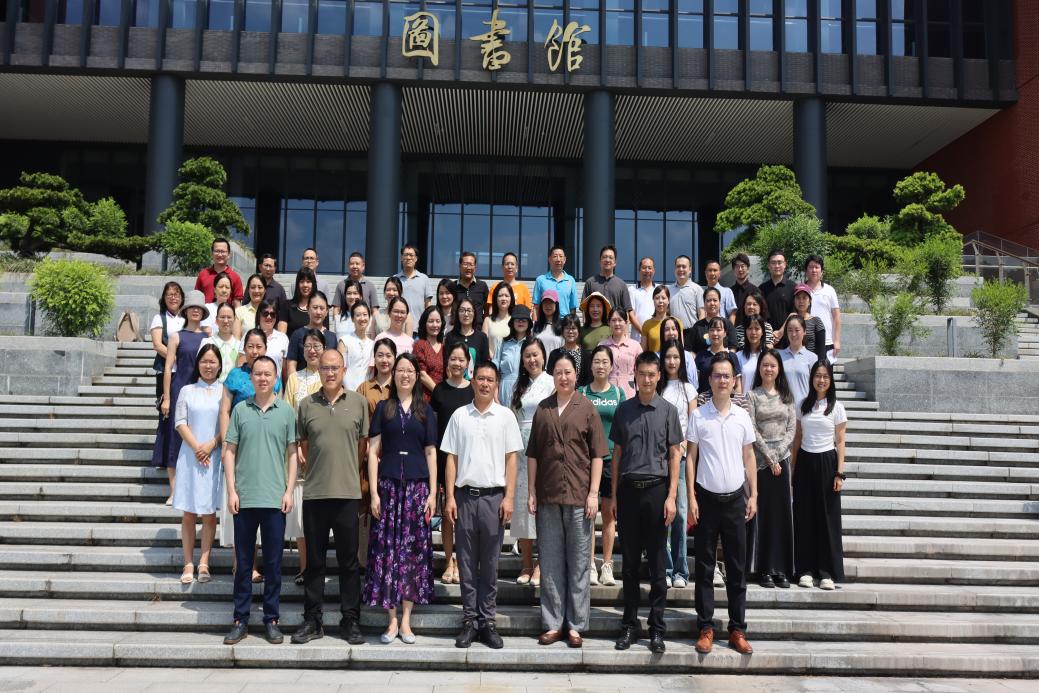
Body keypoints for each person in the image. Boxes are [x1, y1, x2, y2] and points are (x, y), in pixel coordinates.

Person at [526, 352, 608, 648]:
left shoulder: (586, 408)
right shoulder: (543, 409)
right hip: (548, 494)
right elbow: (533, 454)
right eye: (558, 372)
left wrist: (593, 493)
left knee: (578, 562)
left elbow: (598, 455)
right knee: (550, 561)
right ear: (553, 376)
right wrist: (532, 491)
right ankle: (553, 623)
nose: (563, 377)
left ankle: (575, 624)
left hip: (578, 496)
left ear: (576, 375)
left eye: (568, 372)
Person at [441, 361, 524, 650]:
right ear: (473, 381)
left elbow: (512, 460)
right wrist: (450, 497)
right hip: (465, 497)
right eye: (480, 378)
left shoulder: (505, 417)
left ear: (496, 384)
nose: (485, 383)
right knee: (465, 562)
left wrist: (509, 497)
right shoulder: (459, 415)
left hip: (493, 498)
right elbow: (450, 458)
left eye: (490, 379)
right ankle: (469, 620)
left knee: (490, 563)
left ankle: (487, 621)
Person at [290, 349, 369, 646]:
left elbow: (361, 447)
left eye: (335, 368)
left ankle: (350, 619)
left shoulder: (359, 403)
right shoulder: (306, 405)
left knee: (349, 562)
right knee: (315, 562)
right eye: (325, 368)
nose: (331, 373)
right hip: (315, 493)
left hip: (347, 493)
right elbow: (305, 446)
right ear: (319, 370)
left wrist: (346, 471)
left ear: (344, 370)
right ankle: (313, 620)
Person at [221, 355, 298, 646]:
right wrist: (231, 490)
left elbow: (293, 453)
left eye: (268, 374)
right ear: (251, 377)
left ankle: (271, 619)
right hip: (244, 498)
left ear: (276, 379)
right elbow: (229, 451)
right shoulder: (240, 410)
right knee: (243, 563)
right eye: (258, 374)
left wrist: (289, 491)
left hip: (275, 498)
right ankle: (240, 619)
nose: (263, 378)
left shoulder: (286, 411)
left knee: (274, 564)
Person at [609, 351, 683, 654]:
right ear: (635, 376)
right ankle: (629, 625)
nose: (647, 379)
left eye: (652, 374)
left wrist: (672, 496)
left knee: (657, 565)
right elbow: (616, 455)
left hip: (657, 492)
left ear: (658, 376)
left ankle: (657, 628)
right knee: (629, 565)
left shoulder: (668, 410)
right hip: (628, 492)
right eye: (642, 374)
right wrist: (614, 495)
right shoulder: (624, 409)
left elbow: (675, 454)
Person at [686, 352, 758, 656]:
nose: (722, 380)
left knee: (737, 568)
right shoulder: (698, 415)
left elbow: (749, 456)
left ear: (734, 380)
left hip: (735, 501)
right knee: (704, 567)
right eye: (717, 375)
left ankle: (737, 629)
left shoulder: (742, 416)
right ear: (710, 379)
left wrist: (754, 495)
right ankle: (705, 627)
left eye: (727, 376)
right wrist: (691, 496)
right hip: (706, 499)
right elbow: (691, 457)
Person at [363, 353, 438, 644]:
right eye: (400, 370)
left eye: (410, 371)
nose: (405, 375)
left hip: (417, 488)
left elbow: (431, 452)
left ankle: (406, 619)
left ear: (416, 376)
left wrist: (433, 492)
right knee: (387, 551)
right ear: (393, 375)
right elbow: (373, 452)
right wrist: (373, 493)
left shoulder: (425, 410)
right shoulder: (385, 408)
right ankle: (391, 619)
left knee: (412, 552)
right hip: (389, 488)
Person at [220, 329, 284, 576]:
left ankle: (256, 563)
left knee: (261, 505)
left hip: (264, 447)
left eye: (259, 346)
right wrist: (226, 442)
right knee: (242, 505)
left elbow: (277, 410)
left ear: (266, 349)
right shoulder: (235, 375)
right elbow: (225, 410)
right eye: (250, 346)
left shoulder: (272, 375)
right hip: (239, 443)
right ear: (244, 348)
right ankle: (243, 563)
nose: (255, 351)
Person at [792, 360, 847, 591]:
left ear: (830, 380)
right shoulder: (803, 405)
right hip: (805, 462)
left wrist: (839, 473)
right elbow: (797, 438)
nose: (821, 380)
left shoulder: (837, 407)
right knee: (804, 518)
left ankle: (827, 572)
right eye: (817, 376)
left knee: (827, 520)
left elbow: (841, 441)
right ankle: (805, 571)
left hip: (827, 463)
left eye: (825, 376)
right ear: (812, 378)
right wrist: (793, 469)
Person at [172, 344, 224, 585]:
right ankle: (188, 562)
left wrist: (212, 444)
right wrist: (197, 448)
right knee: (189, 512)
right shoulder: (187, 390)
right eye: (204, 361)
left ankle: (204, 562)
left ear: (220, 365)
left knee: (209, 513)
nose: (208, 366)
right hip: (191, 457)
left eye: (213, 361)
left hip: (214, 456)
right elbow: (180, 422)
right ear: (198, 364)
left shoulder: (224, 391)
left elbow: (228, 423)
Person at [745, 348, 796, 590]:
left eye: (773, 365)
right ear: (760, 368)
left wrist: (778, 456)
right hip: (760, 462)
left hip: (782, 461)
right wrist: (768, 456)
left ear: (778, 369)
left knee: (781, 516)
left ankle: (781, 569)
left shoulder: (787, 396)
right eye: (765, 365)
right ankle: (764, 568)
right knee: (763, 516)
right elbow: (752, 428)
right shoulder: (752, 395)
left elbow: (792, 429)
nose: (768, 369)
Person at [153, 290, 209, 504]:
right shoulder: (176, 336)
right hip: (179, 389)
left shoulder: (207, 337)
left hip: (201, 391)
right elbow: (168, 368)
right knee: (175, 438)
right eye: (192, 307)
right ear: (185, 311)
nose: (195, 311)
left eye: (199, 308)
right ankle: (174, 490)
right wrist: (167, 397)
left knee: (197, 436)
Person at [578, 345, 624, 587]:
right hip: (586, 461)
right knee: (587, 515)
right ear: (591, 364)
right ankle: (589, 565)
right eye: (596, 361)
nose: (600, 366)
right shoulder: (582, 392)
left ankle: (607, 565)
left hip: (611, 461)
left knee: (608, 515)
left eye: (605, 361)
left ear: (611, 366)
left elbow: (624, 429)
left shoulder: (618, 394)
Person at [510, 337, 554, 587]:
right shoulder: (519, 385)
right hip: (520, 450)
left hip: (543, 449)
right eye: (527, 355)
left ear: (543, 356)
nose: (532, 359)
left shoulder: (551, 382)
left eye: (535, 354)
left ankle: (540, 564)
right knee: (522, 508)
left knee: (541, 509)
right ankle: (526, 563)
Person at [430, 343, 474, 585]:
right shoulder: (439, 390)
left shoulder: (474, 389)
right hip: (444, 457)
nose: (457, 363)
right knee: (448, 512)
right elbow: (434, 425)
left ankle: (464, 562)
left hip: (469, 458)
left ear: (468, 363)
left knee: (465, 514)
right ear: (447, 362)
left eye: (461, 359)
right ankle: (449, 561)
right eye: (453, 359)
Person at [658, 340, 697, 589]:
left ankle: (681, 571)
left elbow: (692, 425)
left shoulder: (688, 389)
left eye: (676, 357)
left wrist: (682, 447)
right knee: (662, 514)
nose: (672, 361)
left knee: (680, 513)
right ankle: (666, 567)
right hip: (659, 458)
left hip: (681, 458)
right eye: (668, 357)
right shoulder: (658, 386)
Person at [285, 291, 337, 379]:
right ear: (308, 309)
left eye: (322, 308)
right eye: (315, 308)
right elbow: (291, 365)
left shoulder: (332, 337)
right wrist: (294, 383)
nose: (318, 312)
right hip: (302, 383)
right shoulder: (297, 334)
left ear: (327, 311)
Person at [150, 281, 185, 404]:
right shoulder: (159, 318)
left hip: (184, 372)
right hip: (165, 371)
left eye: (176, 294)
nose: (173, 298)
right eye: (169, 295)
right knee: (166, 408)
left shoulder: (186, 318)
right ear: (164, 298)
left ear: (182, 298)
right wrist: (177, 359)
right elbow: (157, 345)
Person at [774, 283, 827, 360]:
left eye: (804, 298)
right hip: (791, 360)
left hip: (811, 361)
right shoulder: (790, 320)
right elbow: (779, 338)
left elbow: (821, 349)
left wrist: (820, 364)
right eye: (798, 298)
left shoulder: (816, 321)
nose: (801, 301)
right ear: (794, 301)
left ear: (809, 301)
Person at [598, 308, 642, 399]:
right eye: (613, 320)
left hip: (629, 393)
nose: (617, 323)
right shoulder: (602, 345)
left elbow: (640, 371)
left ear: (626, 322)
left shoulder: (635, 346)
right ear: (609, 322)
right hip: (607, 393)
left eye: (620, 320)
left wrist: (640, 391)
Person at [804, 255, 842, 359]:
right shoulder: (801, 290)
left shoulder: (830, 290)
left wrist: (837, 341)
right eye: (811, 267)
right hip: (805, 341)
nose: (814, 270)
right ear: (806, 271)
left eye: (817, 267)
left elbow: (836, 316)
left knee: (825, 369)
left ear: (822, 271)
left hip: (827, 341)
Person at [494, 305, 533, 404]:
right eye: (517, 319)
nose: (521, 322)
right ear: (512, 322)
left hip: (527, 388)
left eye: (524, 320)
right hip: (504, 389)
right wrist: (495, 395)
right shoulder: (503, 342)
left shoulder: (533, 344)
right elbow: (494, 370)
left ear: (529, 323)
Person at [694, 317, 743, 397]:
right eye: (712, 330)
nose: (715, 333)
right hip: (704, 401)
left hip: (727, 402)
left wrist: (737, 400)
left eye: (718, 330)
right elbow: (695, 384)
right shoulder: (701, 356)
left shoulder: (732, 356)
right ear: (708, 333)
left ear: (725, 333)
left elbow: (738, 385)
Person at [444, 298, 490, 381]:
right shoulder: (450, 337)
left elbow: (484, 365)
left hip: (475, 385)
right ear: (457, 313)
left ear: (474, 313)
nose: (466, 314)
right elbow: (447, 364)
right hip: (455, 384)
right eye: (462, 310)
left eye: (469, 310)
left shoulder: (482, 337)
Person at [582, 245, 632, 321]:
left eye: (610, 257)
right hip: (595, 327)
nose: (607, 260)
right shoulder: (590, 282)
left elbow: (626, 311)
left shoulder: (621, 284)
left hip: (615, 327)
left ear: (615, 262)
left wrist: (625, 328)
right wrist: (586, 326)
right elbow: (584, 309)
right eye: (604, 257)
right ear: (600, 261)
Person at [684, 287, 739, 355]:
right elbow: (689, 349)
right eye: (709, 300)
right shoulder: (698, 326)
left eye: (715, 300)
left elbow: (733, 347)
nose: (712, 303)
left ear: (719, 303)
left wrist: (726, 360)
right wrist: (697, 360)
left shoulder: (727, 324)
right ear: (704, 304)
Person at [333, 252, 380, 324]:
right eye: (352, 264)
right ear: (348, 266)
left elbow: (375, 310)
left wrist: (373, 326)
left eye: (357, 264)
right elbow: (337, 308)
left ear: (363, 266)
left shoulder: (370, 286)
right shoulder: (341, 285)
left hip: (365, 324)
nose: (354, 266)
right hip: (345, 323)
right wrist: (337, 324)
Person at [247, 300, 289, 378]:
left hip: (275, 384)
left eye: (273, 314)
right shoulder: (250, 335)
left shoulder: (283, 338)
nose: (269, 317)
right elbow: (242, 364)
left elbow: (284, 371)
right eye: (265, 314)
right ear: (259, 315)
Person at [779, 315, 815, 406]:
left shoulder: (812, 358)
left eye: (797, 330)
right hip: (782, 409)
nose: (793, 334)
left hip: (804, 409)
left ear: (804, 331)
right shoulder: (779, 356)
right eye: (790, 330)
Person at [395, 244, 434, 327]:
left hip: (419, 327)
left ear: (416, 258)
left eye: (411, 255)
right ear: (401, 258)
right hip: (398, 327)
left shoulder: (424, 278)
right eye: (406, 255)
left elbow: (428, 304)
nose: (408, 258)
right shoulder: (395, 279)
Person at [195, 238, 244, 304]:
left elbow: (237, 304)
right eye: (217, 251)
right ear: (211, 253)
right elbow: (196, 299)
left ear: (229, 254)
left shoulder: (235, 277)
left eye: (223, 251)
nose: (220, 254)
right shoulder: (203, 274)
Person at [339, 301, 374, 391]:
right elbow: (340, 370)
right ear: (352, 319)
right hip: (348, 391)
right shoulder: (344, 341)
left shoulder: (373, 344)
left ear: (369, 317)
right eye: (358, 315)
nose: (362, 318)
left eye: (365, 314)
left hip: (367, 391)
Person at [533, 245, 578, 316]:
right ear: (549, 259)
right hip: (546, 321)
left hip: (565, 321)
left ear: (565, 260)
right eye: (555, 256)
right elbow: (536, 307)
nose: (558, 259)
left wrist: (571, 321)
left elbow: (573, 308)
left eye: (561, 256)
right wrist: (535, 322)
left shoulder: (571, 280)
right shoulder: (541, 280)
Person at [548, 314, 591, 387]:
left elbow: (589, 380)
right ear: (562, 331)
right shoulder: (554, 354)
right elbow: (550, 379)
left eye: (573, 328)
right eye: (567, 328)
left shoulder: (586, 355)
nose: (570, 331)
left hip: (581, 393)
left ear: (579, 331)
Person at [358, 338, 397, 419]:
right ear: (374, 358)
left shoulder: (400, 387)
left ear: (395, 359)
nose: (384, 360)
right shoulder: (364, 388)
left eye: (388, 356)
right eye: (380, 355)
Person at [202, 303, 239, 382]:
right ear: (216, 320)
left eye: (229, 317)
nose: (226, 321)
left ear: (234, 319)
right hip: (211, 387)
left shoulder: (239, 346)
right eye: (222, 317)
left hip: (233, 388)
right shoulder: (207, 342)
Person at [278, 268, 321, 336]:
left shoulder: (320, 308)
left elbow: (324, 334)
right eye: (302, 281)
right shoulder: (287, 305)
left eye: (308, 281)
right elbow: (281, 335)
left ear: (313, 284)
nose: (305, 285)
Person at [413, 305, 445, 394]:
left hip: (444, 395)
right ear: (424, 323)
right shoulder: (420, 345)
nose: (435, 325)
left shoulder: (444, 347)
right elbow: (422, 374)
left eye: (438, 321)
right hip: (425, 396)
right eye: (431, 321)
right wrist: (439, 393)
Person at [452, 252, 490, 326]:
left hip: (478, 329)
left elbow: (487, 311)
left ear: (475, 267)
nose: (468, 267)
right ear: (460, 266)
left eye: (471, 264)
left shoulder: (482, 286)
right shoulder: (453, 286)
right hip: (457, 330)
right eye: (465, 264)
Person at [759, 249, 795, 327]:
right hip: (767, 333)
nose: (777, 266)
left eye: (779, 262)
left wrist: (781, 331)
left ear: (785, 264)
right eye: (773, 263)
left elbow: (794, 313)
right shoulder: (762, 289)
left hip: (789, 332)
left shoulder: (793, 287)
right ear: (768, 265)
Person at [640, 285, 680, 354]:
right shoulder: (647, 324)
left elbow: (681, 348)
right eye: (657, 298)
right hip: (653, 360)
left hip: (672, 360)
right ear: (653, 300)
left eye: (663, 298)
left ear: (668, 300)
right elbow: (644, 351)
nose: (660, 301)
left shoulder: (676, 322)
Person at [668, 255, 704, 329]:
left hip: (692, 331)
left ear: (690, 269)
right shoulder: (668, 290)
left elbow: (702, 313)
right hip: (673, 332)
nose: (681, 269)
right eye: (678, 266)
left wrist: (699, 331)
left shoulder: (697, 289)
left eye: (684, 266)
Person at [482, 282, 515, 358]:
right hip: (492, 362)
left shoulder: (515, 320)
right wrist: (493, 359)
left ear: (511, 298)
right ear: (495, 298)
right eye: (500, 296)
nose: (503, 298)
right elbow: (483, 344)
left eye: (506, 296)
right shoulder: (488, 320)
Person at [628, 256, 657, 338]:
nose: (647, 270)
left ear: (654, 271)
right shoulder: (632, 290)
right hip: (637, 338)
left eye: (649, 268)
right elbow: (631, 315)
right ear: (639, 270)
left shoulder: (659, 290)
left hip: (655, 337)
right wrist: (644, 332)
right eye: (644, 267)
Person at [737, 316, 767, 392]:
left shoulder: (768, 356)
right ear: (745, 331)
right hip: (744, 399)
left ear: (762, 332)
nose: (753, 332)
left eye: (757, 329)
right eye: (750, 328)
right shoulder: (738, 356)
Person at [729, 253, 759, 317]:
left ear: (748, 269)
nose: (740, 269)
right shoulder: (729, 292)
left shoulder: (756, 290)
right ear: (733, 270)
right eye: (737, 266)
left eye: (742, 266)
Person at [534, 290, 564, 354]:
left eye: (551, 302)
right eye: (545, 303)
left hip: (557, 360)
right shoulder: (535, 326)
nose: (548, 306)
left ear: (556, 305)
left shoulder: (563, 325)